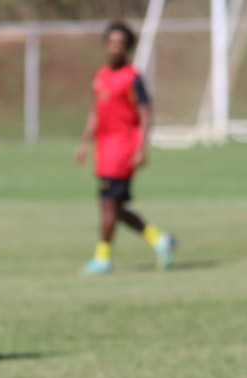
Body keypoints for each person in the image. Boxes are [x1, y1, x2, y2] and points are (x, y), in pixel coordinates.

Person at [76, 21, 176, 275]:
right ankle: (160, 240)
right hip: (104, 149)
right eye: (111, 43)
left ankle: (102, 258)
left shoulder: (133, 78)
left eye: (120, 44)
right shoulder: (100, 76)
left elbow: (145, 113)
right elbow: (95, 112)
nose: (114, 48)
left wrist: (142, 147)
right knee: (115, 208)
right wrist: (85, 141)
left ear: (128, 48)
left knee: (108, 205)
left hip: (122, 150)